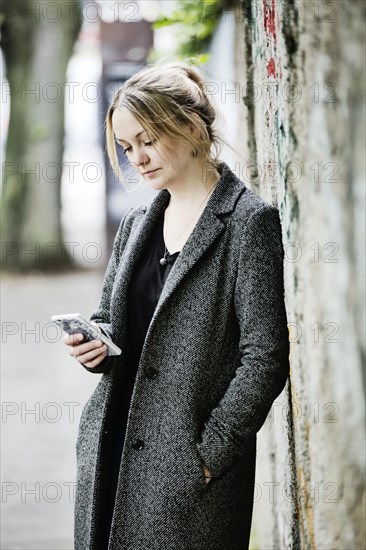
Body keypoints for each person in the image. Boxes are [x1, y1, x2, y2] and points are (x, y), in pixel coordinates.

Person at [64, 61, 290, 550]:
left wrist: (208, 454)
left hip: (188, 479)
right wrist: (94, 345)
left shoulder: (248, 223)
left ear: (189, 126)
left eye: (147, 140)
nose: (136, 159)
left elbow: (265, 357)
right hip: (112, 451)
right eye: (126, 148)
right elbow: (112, 318)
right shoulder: (137, 223)